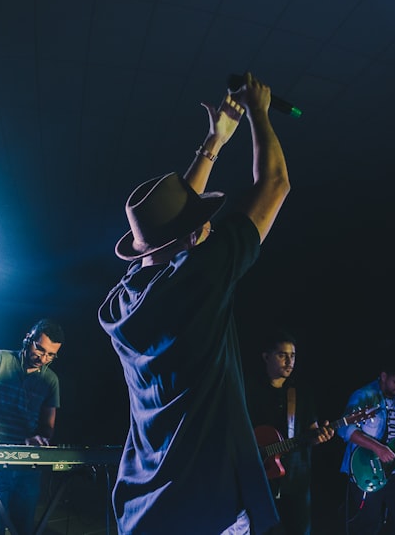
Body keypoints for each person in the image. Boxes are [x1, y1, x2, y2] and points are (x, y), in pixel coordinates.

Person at [97, 71, 290, 534]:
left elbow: (171, 227)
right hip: (208, 508)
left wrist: (214, 142)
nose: (208, 225)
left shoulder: (121, 305)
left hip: (146, 509)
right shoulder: (202, 277)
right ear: (191, 237)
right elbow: (276, 184)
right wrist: (259, 114)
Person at [0, 318, 65, 535]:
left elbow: (48, 427)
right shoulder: (1, 359)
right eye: (40, 349)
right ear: (28, 339)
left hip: (27, 464)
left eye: (51, 355)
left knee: (24, 529)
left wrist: (40, 438)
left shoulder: (51, 380)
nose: (43, 358)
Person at [244, 330, 335, 534]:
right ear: (266, 357)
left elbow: (311, 433)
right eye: (282, 355)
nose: (289, 361)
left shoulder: (301, 391)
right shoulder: (248, 388)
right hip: (261, 479)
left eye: (292, 355)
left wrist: (321, 436)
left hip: (296, 479)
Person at [338, 354, 395, 535]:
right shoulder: (364, 395)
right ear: (383, 376)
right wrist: (378, 448)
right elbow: (345, 430)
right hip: (366, 468)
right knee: (368, 523)